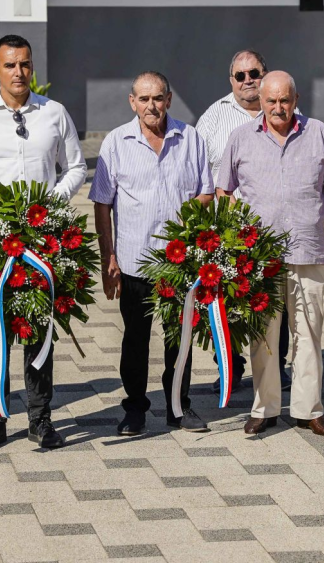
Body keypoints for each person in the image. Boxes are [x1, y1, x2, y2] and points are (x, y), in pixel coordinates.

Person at [0, 34, 87, 451]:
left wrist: (52, 202)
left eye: (24, 64)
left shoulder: (54, 113)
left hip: (43, 240)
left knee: (39, 329)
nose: (18, 72)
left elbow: (75, 167)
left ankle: (40, 419)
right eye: (10, 65)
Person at [216, 71, 324, 437]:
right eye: (271, 100)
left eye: (285, 100)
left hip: (309, 251)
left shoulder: (318, 133)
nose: (278, 107)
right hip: (260, 259)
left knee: (309, 333)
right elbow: (224, 191)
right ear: (260, 100)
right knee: (263, 337)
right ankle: (265, 408)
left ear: (296, 99)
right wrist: (234, 241)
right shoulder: (241, 137)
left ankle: (308, 410)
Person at [91, 72, 215, 435]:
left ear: (169, 100)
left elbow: (207, 191)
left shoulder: (190, 138)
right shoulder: (116, 142)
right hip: (134, 261)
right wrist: (108, 258)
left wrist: (188, 217)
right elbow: (102, 204)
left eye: (158, 98)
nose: (151, 106)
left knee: (180, 339)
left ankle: (179, 406)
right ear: (132, 102)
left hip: (179, 263)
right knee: (135, 339)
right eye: (144, 99)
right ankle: (135, 408)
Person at [196, 50, 290, 392]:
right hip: (226, 230)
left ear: (265, 74)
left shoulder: (284, 109)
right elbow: (197, 169)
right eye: (240, 75)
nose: (248, 80)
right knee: (228, 299)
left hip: (272, 228)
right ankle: (230, 366)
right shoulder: (213, 117)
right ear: (231, 80)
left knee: (275, 302)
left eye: (254, 73)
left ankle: (276, 365)